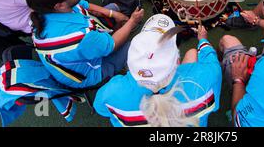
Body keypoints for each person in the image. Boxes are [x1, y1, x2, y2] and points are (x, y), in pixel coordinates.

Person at [94, 14, 222, 127]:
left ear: (129, 62)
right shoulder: (206, 77)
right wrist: (203, 40)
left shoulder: (112, 91)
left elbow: (100, 108)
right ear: (177, 61)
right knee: (193, 53)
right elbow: (211, 62)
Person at [24, 0, 145, 89]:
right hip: (92, 73)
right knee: (134, 46)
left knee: (114, 8)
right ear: (59, 5)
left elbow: (83, 4)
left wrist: (112, 13)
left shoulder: (47, 10)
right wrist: (132, 22)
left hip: (84, 48)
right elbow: (112, 45)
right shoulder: (79, 36)